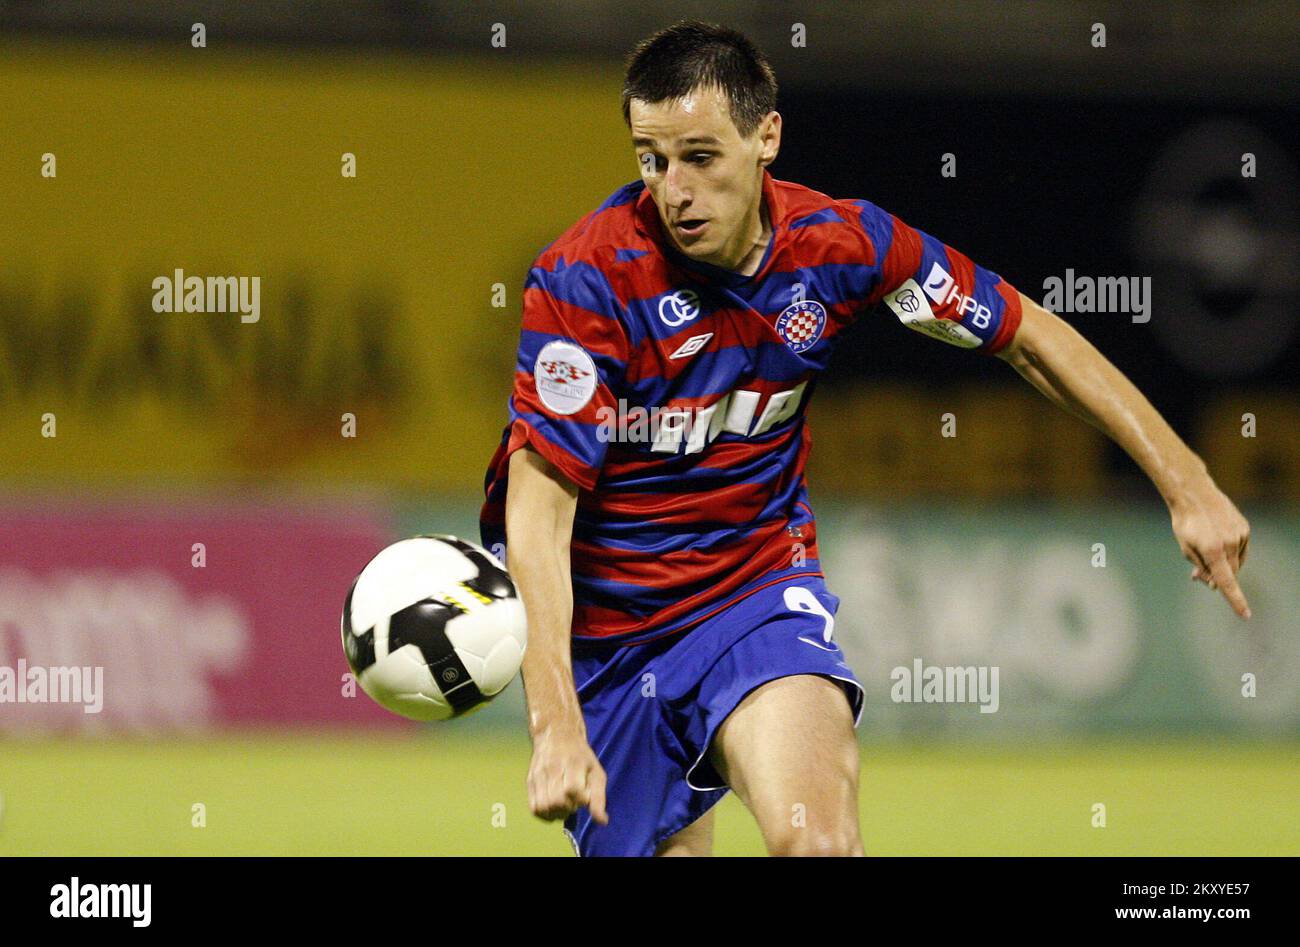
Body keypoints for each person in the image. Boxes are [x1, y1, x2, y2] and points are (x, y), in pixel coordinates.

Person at [479, 20, 1251, 857]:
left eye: (701, 156)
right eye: (650, 158)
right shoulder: (584, 281)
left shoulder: (843, 246)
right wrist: (554, 721)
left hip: (750, 595)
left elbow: (1031, 335)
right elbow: (539, 516)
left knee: (816, 844)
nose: (674, 189)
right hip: (609, 638)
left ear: (766, 134)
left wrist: (1188, 482)